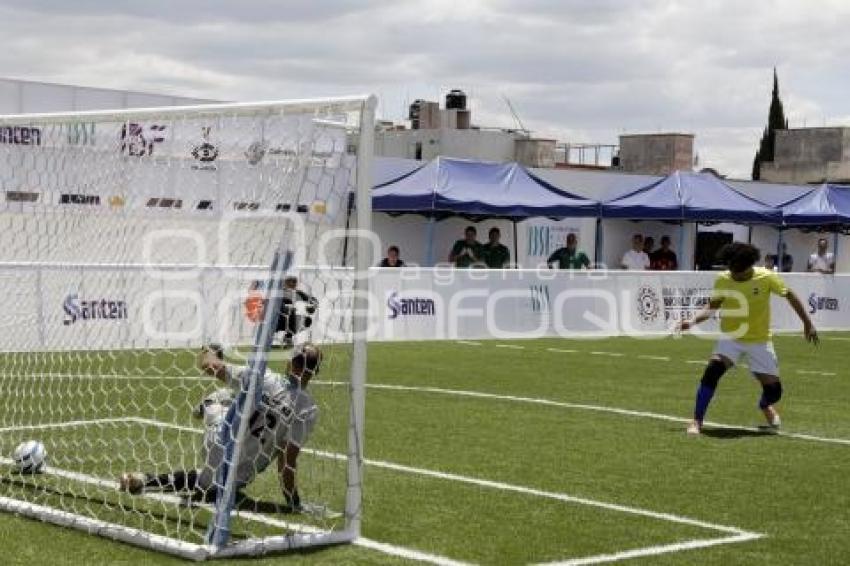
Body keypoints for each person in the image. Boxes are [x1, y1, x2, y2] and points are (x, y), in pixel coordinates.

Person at [119, 343, 321, 512]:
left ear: (289, 363)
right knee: (216, 483)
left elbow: (209, 365)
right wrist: (294, 503)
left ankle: (144, 479)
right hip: (241, 470)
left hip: (217, 440)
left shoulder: (263, 377)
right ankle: (213, 403)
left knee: (207, 480)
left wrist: (211, 349)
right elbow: (286, 462)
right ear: (315, 372)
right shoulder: (308, 408)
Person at [676, 242, 818, 435]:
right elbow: (713, 306)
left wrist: (807, 323)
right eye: (732, 271)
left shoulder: (767, 277)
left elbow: (790, 295)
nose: (735, 275)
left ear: (749, 266)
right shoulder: (723, 279)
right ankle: (697, 421)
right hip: (731, 338)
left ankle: (764, 405)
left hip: (759, 340)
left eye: (739, 273)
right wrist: (692, 321)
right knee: (712, 372)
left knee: (774, 392)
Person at [276, 276, 318, 348]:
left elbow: (313, 300)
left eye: (294, 282)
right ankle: (270, 339)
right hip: (277, 320)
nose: (292, 284)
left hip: (290, 320)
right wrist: (286, 308)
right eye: (289, 282)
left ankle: (288, 338)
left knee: (307, 320)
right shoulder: (278, 293)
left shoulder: (298, 293)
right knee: (292, 312)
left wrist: (312, 306)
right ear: (284, 283)